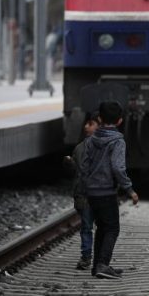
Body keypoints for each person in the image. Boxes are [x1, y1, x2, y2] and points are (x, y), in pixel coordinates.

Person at [80, 100, 138, 278]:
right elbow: (118, 168)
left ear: (99, 118)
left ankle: (97, 265)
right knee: (112, 228)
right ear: (120, 121)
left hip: (92, 192)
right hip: (106, 191)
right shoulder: (117, 141)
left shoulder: (91, 140)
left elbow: (84, 164)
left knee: (102, 228)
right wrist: (130, 189)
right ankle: (103, 264)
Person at [65, 112, 99, 270]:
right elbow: (76, 172)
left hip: (95, 195)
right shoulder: (79, 148)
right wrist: (69, 164)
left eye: (91, 123)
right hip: (88, 195)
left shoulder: (105, 146)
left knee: (89, 227)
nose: (86, 126)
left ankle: (95, 257)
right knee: (87, 227)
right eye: (86, 123)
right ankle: (87, 257)